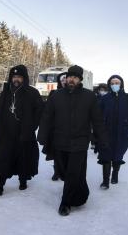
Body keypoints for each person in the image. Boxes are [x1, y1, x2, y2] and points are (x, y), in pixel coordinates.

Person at [38, 65, 108, 216]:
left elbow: (97, 120)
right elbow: (47, 116)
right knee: (64, 173)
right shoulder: (56, 95)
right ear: (66, 78)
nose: (72, 79)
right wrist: (42, 135)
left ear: (80, 80)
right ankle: (80, 192)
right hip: (60, 141)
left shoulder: (89, 97)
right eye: (70, 77)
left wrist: (102, 138)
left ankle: (65, 203)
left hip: (80, 142)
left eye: (75, 77)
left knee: (72, 173)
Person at [0, 65, 43, 196]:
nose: (16, 79)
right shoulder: (5, 93)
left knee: (23, 159)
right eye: (14, 77)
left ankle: (23, 180)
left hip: (25, 133)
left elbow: (39, 111)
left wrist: (32, 127)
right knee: (2, 159)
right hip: (6, 134)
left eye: (19, 77)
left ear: (24, 78)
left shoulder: (32, 93)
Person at [97, 75, 128, 189]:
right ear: (109, 85)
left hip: (123, 132)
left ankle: (115, 174)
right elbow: (97, 115)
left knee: (117, 155)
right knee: (105, 155)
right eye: (112, 83)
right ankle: (105, 181)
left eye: (117, 83)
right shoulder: (105, 99)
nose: (115, 85)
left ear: (121, 84)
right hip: (106, 132)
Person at [42, 72, 67, 181]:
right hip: (56, 128)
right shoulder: (54, 93)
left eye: (66, 79)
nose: (65, 81)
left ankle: (66, 171)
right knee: (56, 151)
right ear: (59, 82)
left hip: (69, 127)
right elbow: (48, 110)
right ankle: (57, 171)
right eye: (62, 80)